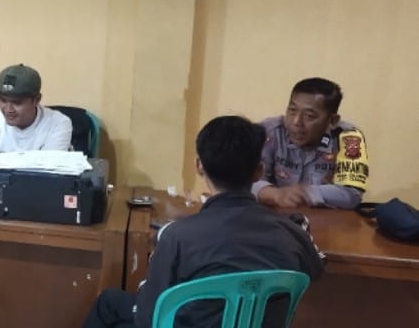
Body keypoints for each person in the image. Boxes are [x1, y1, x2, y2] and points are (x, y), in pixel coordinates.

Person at [82, 115, 325, 328]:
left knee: (109, 303)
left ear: (199, 166)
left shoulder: (177, 236)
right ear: (258, 172)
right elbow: (315, 270)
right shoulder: (290, 231)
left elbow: (148, 317)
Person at [253, 77, 368, 209]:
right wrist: (275, 194)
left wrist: (305, 193)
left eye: (309, 116)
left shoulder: (349, 139)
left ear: (332, 121)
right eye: (292, 110)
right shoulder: (269, 131)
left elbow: (352, 194)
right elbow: (245, 181)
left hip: (326, 218)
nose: (296, 121)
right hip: (274, 215)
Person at [0, 63, 73, 159]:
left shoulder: (58, 124)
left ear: (37, 100)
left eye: (17, 102)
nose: (8, 109)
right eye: (3, 100)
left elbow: (49, 171)